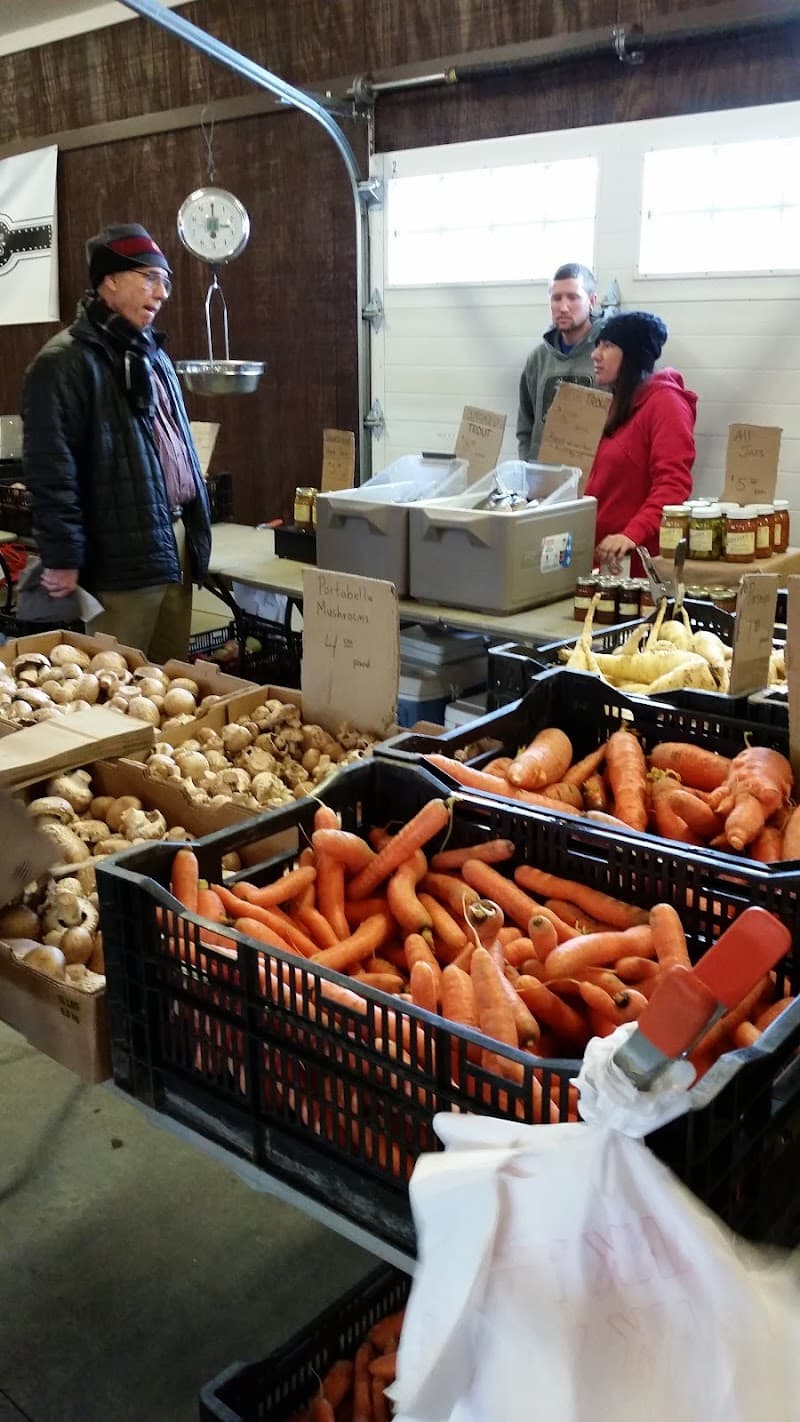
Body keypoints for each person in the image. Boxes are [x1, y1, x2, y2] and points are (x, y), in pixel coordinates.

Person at [21, 222, 211, 662]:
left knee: (171, 680)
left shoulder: (153, 355)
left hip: (175, 539)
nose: (161, 293)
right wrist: (62, 556)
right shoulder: (63, 363)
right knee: (117, 683)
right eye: (150, 278)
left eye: (164, 282)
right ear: (110, 281)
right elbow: (51, 471)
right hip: (120, 556)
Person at [585, 311, 696, 577]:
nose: (595, 355)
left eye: (608, 346)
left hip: (636, 566)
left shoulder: (666, 404)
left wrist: (630, 535)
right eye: (597, 345)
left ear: (632, 355)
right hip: (604, 560)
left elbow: (673, 486)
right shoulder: (620, 405)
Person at [516, 262, 604, 461]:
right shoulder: (537, 359)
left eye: (573, 297)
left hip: (594, 482)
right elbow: (526, 426)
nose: (563, 307)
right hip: (542, 480)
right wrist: (528, 467)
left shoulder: (608, 355)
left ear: (591, 300)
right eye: (556, 298)